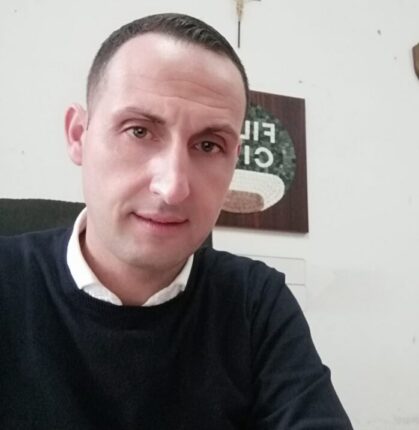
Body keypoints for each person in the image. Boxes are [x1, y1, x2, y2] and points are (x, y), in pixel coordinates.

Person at [0, 13, 352, 429]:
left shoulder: (255, 302)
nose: (173, 187)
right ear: (78, 135)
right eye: (139, 131)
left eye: (209, 145)